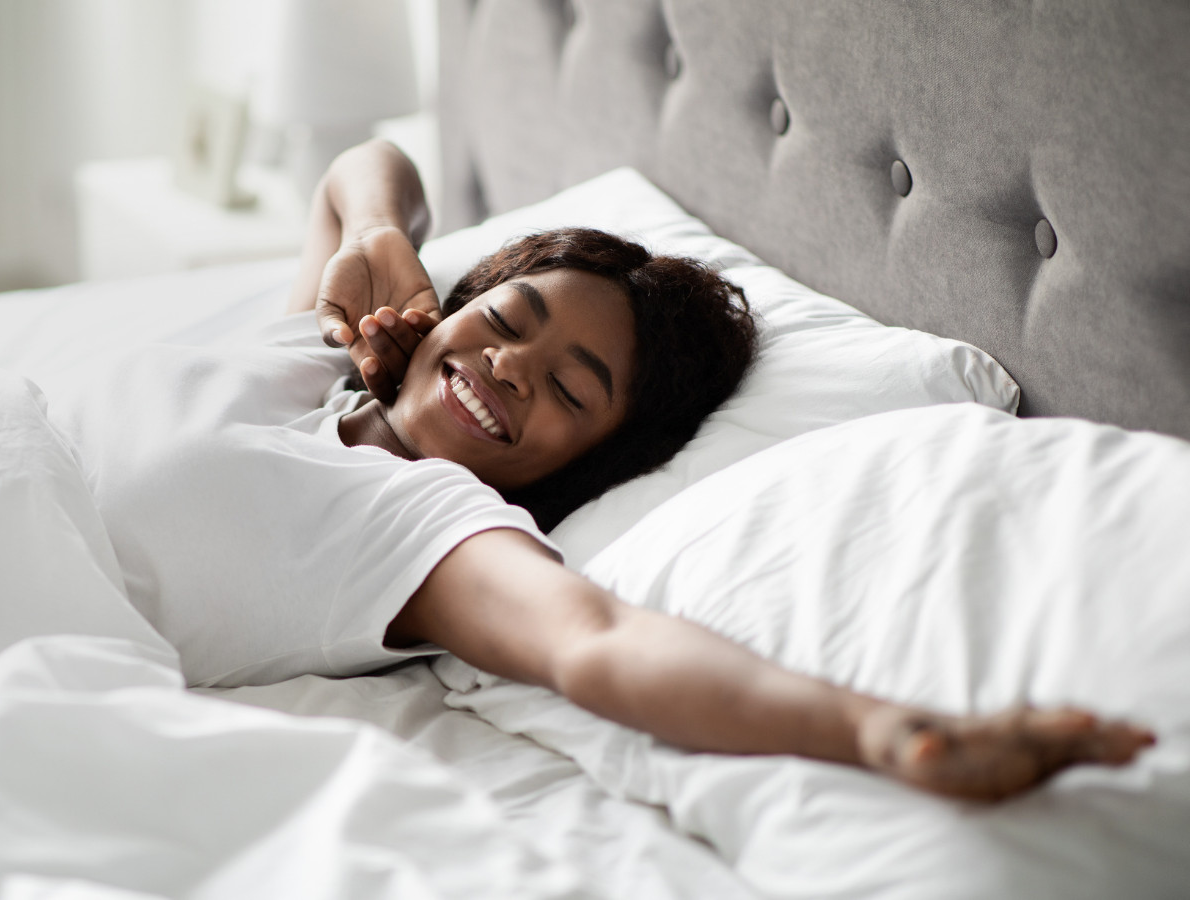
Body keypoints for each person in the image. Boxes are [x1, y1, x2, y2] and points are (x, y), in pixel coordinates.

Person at [270, 139, 1154, 802]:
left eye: (570, 390)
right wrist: (383, 238)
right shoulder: (312, 352)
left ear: (590, 463)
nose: (508, 366)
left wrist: (886, 732)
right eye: (505, 320)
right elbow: (364, 166)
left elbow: (599, 643)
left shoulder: (426, 529)